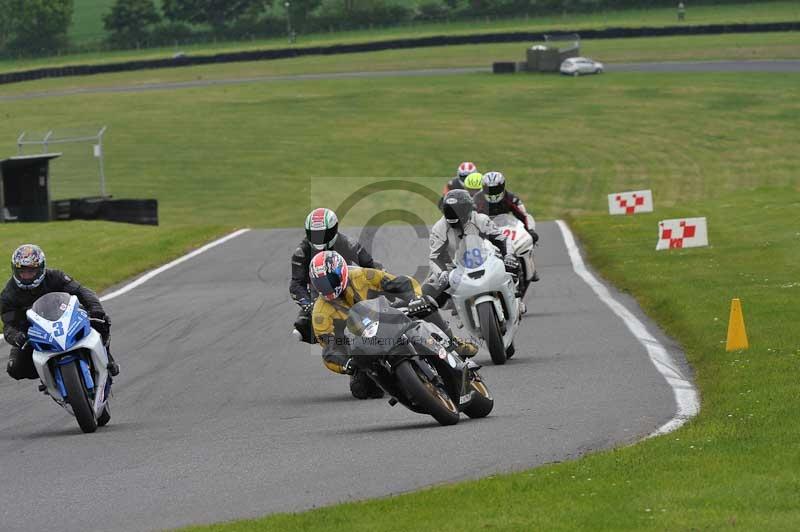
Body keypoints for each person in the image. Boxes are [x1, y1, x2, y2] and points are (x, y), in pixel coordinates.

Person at [309, 250, 478, 399]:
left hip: (386, 317)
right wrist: (345, 363)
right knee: (361, 389)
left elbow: (399, 282)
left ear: (341, 271)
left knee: (424, 305)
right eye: (322, 284)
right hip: (362, 345)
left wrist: (415, 298)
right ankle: (404, 387)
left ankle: (452, 343)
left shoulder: (362, 275)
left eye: (330, 280)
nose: (328, 287)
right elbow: (329, 349)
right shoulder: (320, 312)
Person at [3, 244, 118, 381]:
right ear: (15, 270)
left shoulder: (55, 276)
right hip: (34, 333)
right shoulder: (8, 294)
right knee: (15, 368)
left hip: (67, 319)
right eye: (22, 272)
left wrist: (96, 310)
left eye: (31, 271)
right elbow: (8, 324)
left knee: (102, 321)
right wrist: (17, 337)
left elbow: (81, 291)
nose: (26, 276)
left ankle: (107, 355)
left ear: (41, 269)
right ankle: (48, 375)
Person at [290, 207, 381, 344]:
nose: (319, 238)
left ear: (333, 230)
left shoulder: (347, 243)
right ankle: (339, 354)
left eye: (322, 234)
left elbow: (369, 264)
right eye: (314, 234)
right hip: (320, 295)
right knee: (300, 331)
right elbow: (296, 285)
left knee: (384, 307)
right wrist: (309, 305)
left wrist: (376, 287)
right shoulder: (302, 252)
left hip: (348, 287)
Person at [427, 189, 519, 306]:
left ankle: (514, 298)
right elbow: (434, 257)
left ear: (467, 209)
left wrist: (509, 255)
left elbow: (502, 239)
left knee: (512, 265)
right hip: (455, 268)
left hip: (486, 259)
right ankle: (444, 322)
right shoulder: (439, 228)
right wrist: (442, 274)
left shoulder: (481, 219)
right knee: (428, 291)